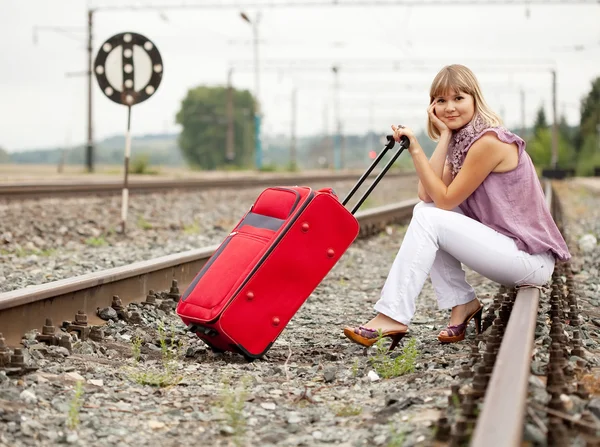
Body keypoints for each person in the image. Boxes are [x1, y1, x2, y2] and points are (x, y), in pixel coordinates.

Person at [344, 64, 571, 349]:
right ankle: (461, 303)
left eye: (458, 98)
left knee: (431, 219)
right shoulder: (462, 142)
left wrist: (416, 150)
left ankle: (392, 315)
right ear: (432, 107)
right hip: (509, 248)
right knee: (424, 213)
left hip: (529, 258)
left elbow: (446, 199)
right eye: (440, 101)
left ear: (475, 99)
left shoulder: (489, 142)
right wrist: (445, 138)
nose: (449, 107)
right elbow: (427, 196)